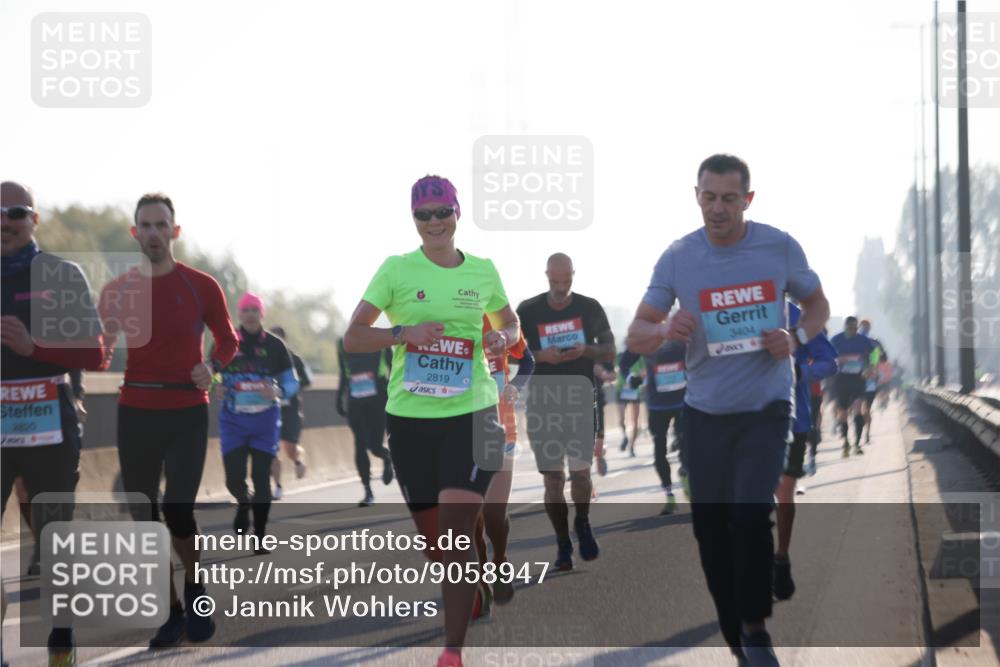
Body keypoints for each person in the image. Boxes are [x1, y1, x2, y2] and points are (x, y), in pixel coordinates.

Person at [627, 154, 830, 665]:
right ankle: (736, 635)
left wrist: (795, 337)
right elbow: (637, 333)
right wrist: (663, 329)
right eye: (709, 197)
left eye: (729, 199)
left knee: (750, 512)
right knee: (711, 530)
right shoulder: (678, 258)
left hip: (766, 407)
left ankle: (756, 630)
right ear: (696, 196)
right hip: (704, 413)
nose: (718, 208)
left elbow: (818, 306)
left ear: (748, 200)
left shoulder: (778, 247)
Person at [343, 175, 519, 667]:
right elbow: (354, 337)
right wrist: (403, 332)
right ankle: (474, 585)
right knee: (438, 545)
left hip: (473, 412)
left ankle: (452, 651)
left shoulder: (482, 271)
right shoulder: (396, 269)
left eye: (443, 212)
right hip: (410, 421)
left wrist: (502, 338)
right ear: (414, 220)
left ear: (457, 213)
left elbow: (510, 322)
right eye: (424, 215)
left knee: (458, 533)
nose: (434, 222)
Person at [99, 193, 239, 649]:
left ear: (175, 232)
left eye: (162, 225)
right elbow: (98, 350)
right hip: (136, 411)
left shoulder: (201, 285)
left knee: (178, 508)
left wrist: (212, 366)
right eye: (146, 225)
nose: (154, 233)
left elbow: (228, 339)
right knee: (144, 517)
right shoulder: (117, 291)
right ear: (135, 233)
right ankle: (171, 611)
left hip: (186, 411)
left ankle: (195, 590)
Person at [1, 181, 105, 667]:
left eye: (16, 212)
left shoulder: (61, 275)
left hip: (50, 426)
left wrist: (33, 348)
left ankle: (61, 643)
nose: (5, 222)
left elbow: (95, 353)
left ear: (34, 219)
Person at [516, 253, 616, 571]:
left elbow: (610, 348)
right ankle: (562, 542)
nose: (561, 287)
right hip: (543, 404)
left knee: (581, 474)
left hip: (580, 400)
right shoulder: (527, 310)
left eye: (566, 281)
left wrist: (586, 349)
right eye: (555, 281)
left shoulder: (589, 307)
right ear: (546, 275)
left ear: (574, 274)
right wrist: (541, 356)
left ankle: (582, 521)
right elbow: (513, 355)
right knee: (553, 480)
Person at [214, 293, 298, 552]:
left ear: (262, 314)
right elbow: (211, 374)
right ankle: (243, 502)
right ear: (239, 314)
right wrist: (216, 386)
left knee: (261, 480)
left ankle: (259, 537)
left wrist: (278, 392)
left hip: (265, 422)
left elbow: (292, 382)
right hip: (233, 422)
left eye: (254, 310)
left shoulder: (275, 346)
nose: (250, 314)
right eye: (246, 310)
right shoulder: (225, 342)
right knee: (233, 480)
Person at [772, 302, 837, 601]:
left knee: (784, 493)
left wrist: (799, 371)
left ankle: (781, 557)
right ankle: (757, 558)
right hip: (743, 420)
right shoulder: (727, 305)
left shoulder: (795, 314)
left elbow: (828, 362)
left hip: (792, 418)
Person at [474, 314, 534, 605]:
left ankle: (499, 560)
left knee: (494, 514)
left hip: (501, 429)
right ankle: (480, 577)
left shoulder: (498, 320)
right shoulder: (442, 320)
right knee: (471, 516)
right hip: (459, 431)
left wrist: (516, 386)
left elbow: (528, 361)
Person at [619, 340, 687, 515]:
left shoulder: (681, 334)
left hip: (684, 402)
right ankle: (669, 495)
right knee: (659, 452)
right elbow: (624, 363)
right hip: (657, 405)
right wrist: (631, 378)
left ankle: (687, 476)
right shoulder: (646, 336)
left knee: (687, 445)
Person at [336, 334, 394, 506]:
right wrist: (339, 397)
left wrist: (395, 396)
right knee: (360, 444)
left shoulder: (383, 340)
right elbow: (344, 371)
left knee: (375, 446)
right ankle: (367, 491)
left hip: (378, 402)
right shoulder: (343, 343)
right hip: (355, 403)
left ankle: (387, 457)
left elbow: (394, 370)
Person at [269, 325, 311, 499]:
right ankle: (278, 486)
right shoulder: (265, 358)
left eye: (279, 339)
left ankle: (298, 460)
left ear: (284, 340)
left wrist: (289, 386)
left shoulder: (295, 359)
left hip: (291, 410)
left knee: (290, 448)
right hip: (271, 409)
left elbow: (307, 381)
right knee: (272, 450)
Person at [829, 316, 875, 457]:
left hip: (858, 378)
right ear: (845, 327)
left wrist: (871, 368)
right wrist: (838, 360)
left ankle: (857, 443)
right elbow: (828, 357)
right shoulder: (836, 340)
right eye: (850, 328)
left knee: (858, 407)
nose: (852, 331)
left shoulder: (863, 340)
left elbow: (873, 355)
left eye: (855, 328)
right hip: (841, 379)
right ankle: (846, 442)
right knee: (843, 413)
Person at [858, 319, 887, 443]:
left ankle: (866, 433)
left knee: (865, 409)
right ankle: (863, 433)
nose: (864, 329)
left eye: (866, 327)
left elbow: (883, 359)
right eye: (863, 326)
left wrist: (874, 364)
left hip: (869, 380)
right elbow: (884, 359)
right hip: (860, 380)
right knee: (861, 408)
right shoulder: (872, 342)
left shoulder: (873, 342)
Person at [615, 350, 645, 456]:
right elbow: (615, 369)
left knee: (635, 420)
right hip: (621, 389)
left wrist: (637, 379)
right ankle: (625, 437)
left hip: (634, 390)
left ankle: (632, 446)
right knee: (621, 419)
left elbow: (644, 371)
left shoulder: (639, 356)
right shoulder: (620, 356)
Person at [592, 361, 615, 476]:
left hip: (596, 399)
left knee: (597, 431)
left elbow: (613, 375)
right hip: (573, 397)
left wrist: (602, 374)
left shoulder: (599, 355)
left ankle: (599, 454)